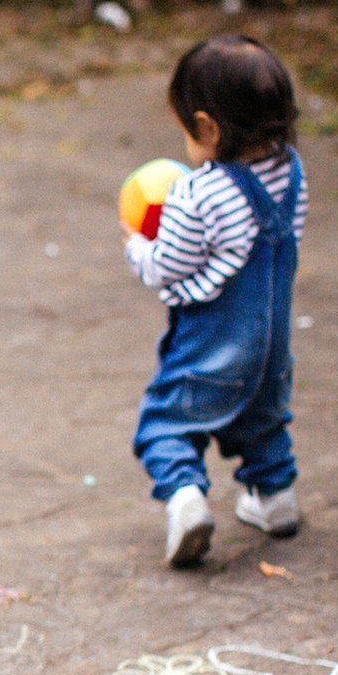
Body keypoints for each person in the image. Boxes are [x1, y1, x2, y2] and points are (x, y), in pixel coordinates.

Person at [125, 35, 309, 566]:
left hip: (211, 344)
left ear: (207, 128)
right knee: (263, 420)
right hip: (271, 349)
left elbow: (167, 267)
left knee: (166, 423)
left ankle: (186, 500)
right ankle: (276, 501)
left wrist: (137, 245)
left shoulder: (196, 193)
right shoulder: (292, 174)